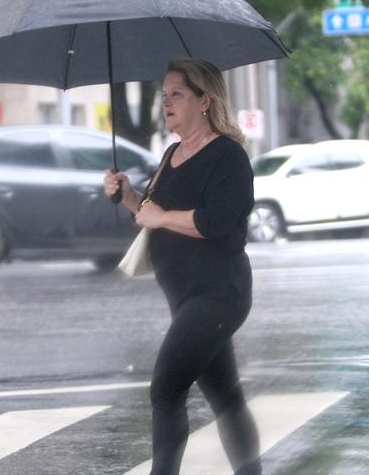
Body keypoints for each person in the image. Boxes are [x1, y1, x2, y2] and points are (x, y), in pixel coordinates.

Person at [104, 59, 260, 475]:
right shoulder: (172, 153)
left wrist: (159, 217)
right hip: (184, 294)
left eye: (177, 94)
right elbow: (152, 213)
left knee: (166, 390)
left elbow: (214, 222)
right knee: (225, 395)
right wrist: (128, 196)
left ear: (205, 100)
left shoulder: (228, 157)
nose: (166, 102)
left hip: (219, 294)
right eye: (164, 94)